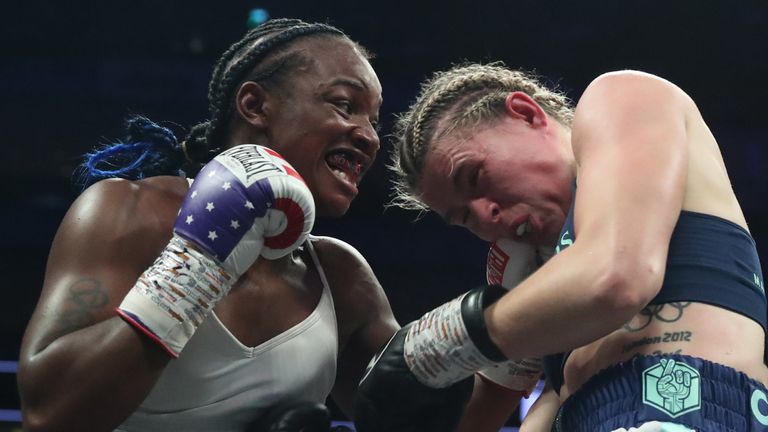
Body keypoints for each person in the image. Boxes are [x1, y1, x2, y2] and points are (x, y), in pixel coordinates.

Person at [16, 18, 401, 432]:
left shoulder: (341, 277)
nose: (370, 137)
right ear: (255, 106)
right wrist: (198, 264)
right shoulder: (129, 212)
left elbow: (423, 418)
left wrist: (471, 328)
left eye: (373, 121)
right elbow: (49, 411)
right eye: (345, 104)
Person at [356, 63, 767, 431]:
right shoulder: (536, 272)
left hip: (691, 401)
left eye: (475, 177)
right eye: (465, 218)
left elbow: (617, 277)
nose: (486, 216)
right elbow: (536, 402)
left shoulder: (621, 97)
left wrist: (438, 342)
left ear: (526, 113)